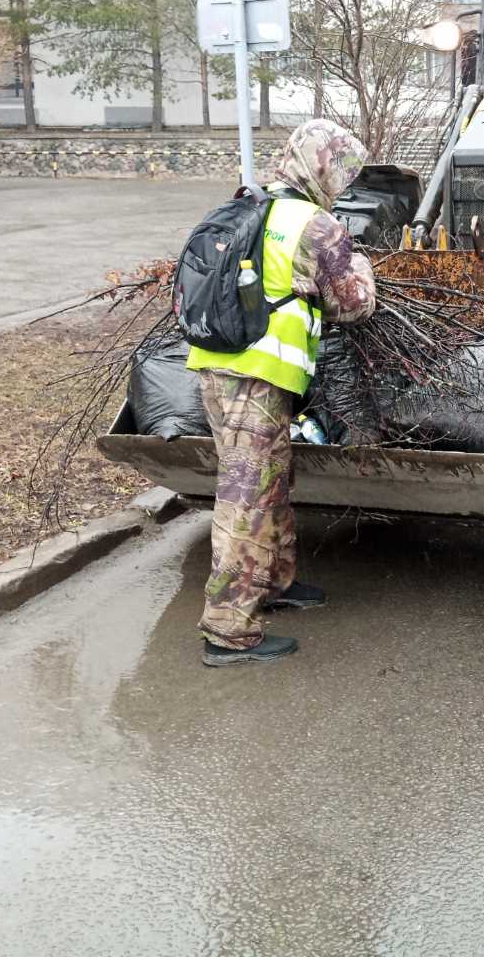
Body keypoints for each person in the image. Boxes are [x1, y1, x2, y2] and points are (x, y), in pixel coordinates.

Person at [185, 119, 377, 667]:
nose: (343, 183)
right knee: (246, 499)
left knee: (267, 482)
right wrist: (360, 264)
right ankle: (228, 630)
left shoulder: (250, 205)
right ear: (324, 167)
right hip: (259, 377)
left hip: (215, 368)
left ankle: (274, 580)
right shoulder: (316, 225)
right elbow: (355, 305)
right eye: (342, 171)